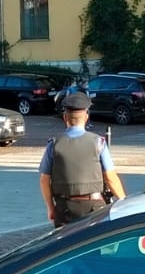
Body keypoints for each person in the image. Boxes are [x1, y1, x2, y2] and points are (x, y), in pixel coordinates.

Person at [39, 91, 125, 227]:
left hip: (64, 208)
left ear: (65, 117)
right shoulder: (98, 143)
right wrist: (123, 201)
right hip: (94, 207)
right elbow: (110, 177)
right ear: (86, 117)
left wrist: (51, 208)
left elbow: (44, 180)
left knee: (65, 247)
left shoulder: (54, 144)